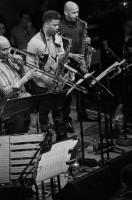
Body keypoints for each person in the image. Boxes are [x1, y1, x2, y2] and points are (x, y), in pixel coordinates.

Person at [26, 10, 68, 141]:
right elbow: (30, 66)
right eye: (54, 25)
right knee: (43, 114)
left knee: (58, 111)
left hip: (56, 80)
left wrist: (64, 71)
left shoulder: (58, 38)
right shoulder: (34, 42)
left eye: (58, 25)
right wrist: (45, 78)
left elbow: (61, 56)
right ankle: (46, 140)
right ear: (46, 24)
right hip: (42, 83)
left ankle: (62, 137)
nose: (57, 28)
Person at [59, 1, 98, 134]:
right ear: (66, 13)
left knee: (83, 88)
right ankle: (66, 120)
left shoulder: (81, 23)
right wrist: (70, 55)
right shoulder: (59, 26)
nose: (77, 15)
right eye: (74, 12)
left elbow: (83, 38)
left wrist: (87, 42)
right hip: (67, 63)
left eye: (78, 12)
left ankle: (82, 113)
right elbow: (56, 49)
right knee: (67, 94)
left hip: (80, 59)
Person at [0, 36, 37, 135]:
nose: (8, 52)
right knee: (15, 139)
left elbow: (24, 81)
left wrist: (21, 66)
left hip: (23, 105)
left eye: (9, 48)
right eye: (4, 50)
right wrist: (26, 78)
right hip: (11, 111)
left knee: (24, 137)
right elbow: (7, 92)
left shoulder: (10, 61)